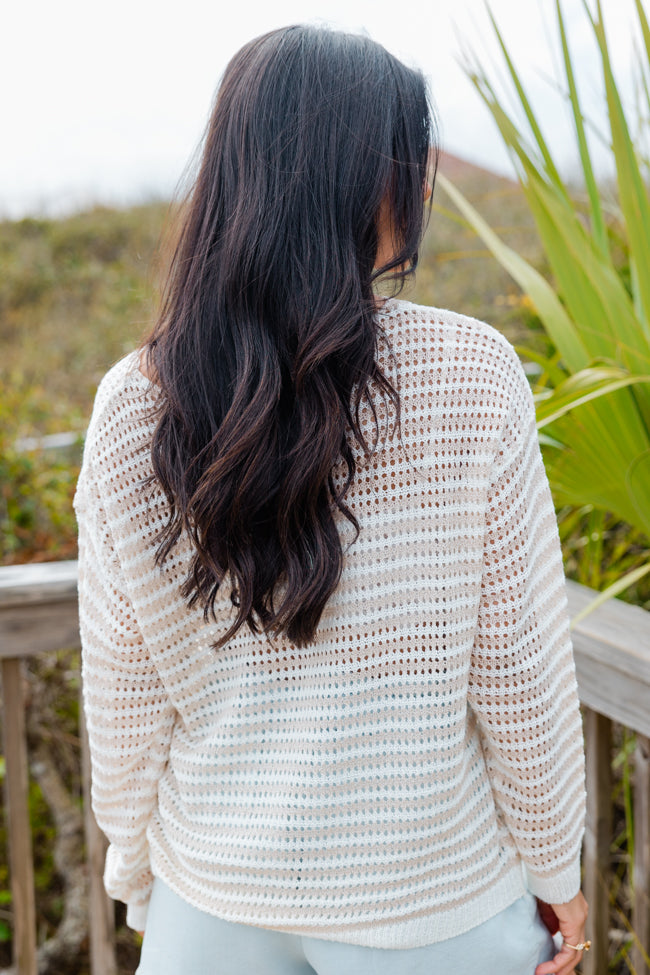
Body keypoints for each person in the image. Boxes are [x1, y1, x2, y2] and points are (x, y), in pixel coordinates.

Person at [74, 24, 590, 975]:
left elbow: (124, 687)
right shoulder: (469, 373)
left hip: (212, 895)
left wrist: (138, 868)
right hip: (432, 900)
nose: (426, 186)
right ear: (356, 178)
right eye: (410, 158)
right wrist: (559, 866)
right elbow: (517, 671)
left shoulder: (132, 406)